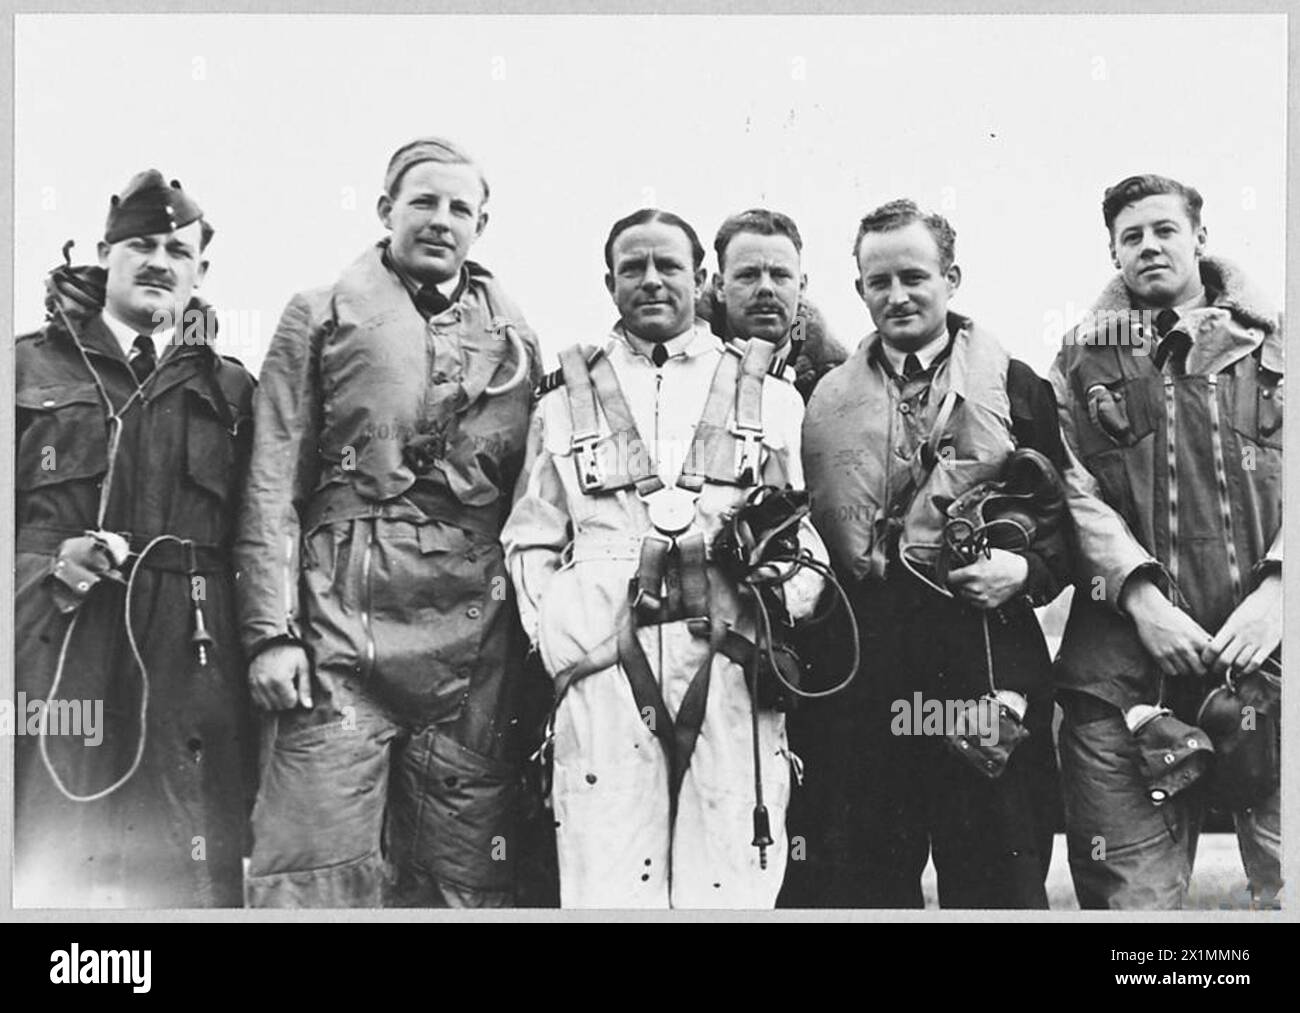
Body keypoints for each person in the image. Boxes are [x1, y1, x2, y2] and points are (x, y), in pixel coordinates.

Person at [235, 137, 542, 907]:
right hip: (339, 632)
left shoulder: (521, 344)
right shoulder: (318, 314)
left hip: (472, 650)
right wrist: (270, 632)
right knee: (316, 868)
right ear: (385, 211)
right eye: (423, 202)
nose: (441, 220)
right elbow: (272, 478)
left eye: (460, 208)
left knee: (460, 877)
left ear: (481, 226)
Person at [502, 208, 828, 908]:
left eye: (668, 266)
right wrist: (562, 638)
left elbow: (801, 538)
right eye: (633, 267)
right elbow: (531, 539)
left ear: (699, 278)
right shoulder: (562, 402)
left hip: (732, 654)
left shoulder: (771, 397)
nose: (651, 280)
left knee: (734, 870)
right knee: (605, 874)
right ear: (609, 281)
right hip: (601, 659)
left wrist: (782, 597)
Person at [799, 199, 1069, 908]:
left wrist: (1026, 571)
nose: (897, 296)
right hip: (863, 674)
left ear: (952, 277)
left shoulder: (1016, 384)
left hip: (982, 659)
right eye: (878, 281)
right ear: (858, 289)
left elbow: (1065, 520)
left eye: (914, 277)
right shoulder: (818, 398)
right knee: (862, 882)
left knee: (997, 880)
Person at [14, 170, 256, 907]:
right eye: (141, 245)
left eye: (178, 250)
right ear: (103, 253)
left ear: (200, 272)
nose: (159, 261)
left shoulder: (235, 391)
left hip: (190, 654)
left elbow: (265, 534)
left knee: (186, 866)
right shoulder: (24, 366)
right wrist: (49, 562)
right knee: (47, 855)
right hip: (57, 648)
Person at [1050, 174, 1283, 909]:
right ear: (1113, 252)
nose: (1149, 245)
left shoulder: (1278, 346)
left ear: (1199, 237)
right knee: (1133, 912)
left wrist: (1283, 587)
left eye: (1164, 229)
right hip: (1124, 677)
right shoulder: (1079, 361)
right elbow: (1070, 488)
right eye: (1131, 236)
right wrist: (1140, 595)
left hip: (1276, 666)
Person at [695, 207, 847, 403]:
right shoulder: (680, 369)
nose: (765, 288)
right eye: (748, 275)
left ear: (801, 287)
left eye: (779, 275)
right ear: (720, 287)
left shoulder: (838, 385)